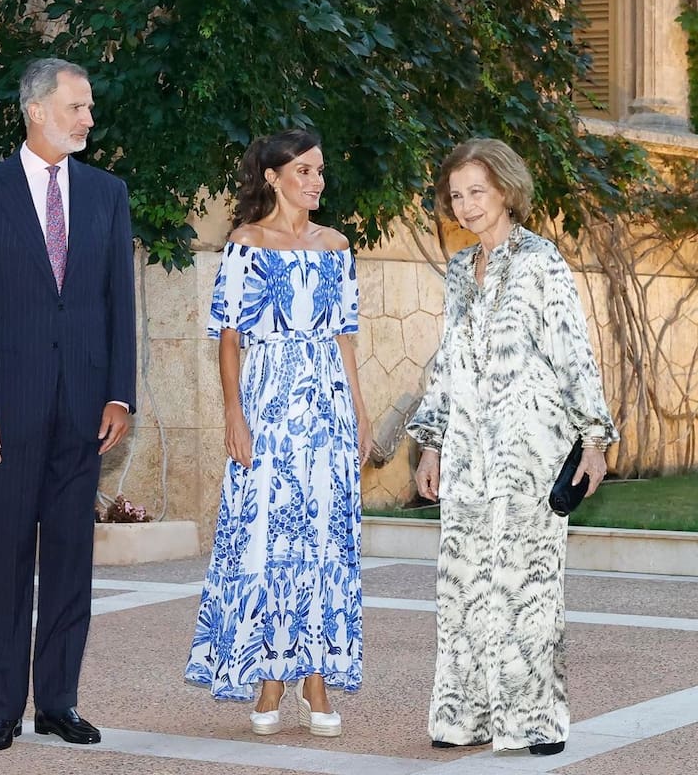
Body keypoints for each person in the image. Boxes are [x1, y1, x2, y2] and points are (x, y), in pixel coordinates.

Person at [0, 58, 136, 751]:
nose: (89, 118)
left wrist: (120, 392)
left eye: (88, 108)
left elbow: (119, 301)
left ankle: (57, 702)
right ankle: (2, 709)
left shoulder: (109, 194)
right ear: (38, 109)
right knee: (8, 560)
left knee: (69, 562)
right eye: (78, 106)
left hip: (86, 410)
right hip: (7, 411)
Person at [407, 138, 618, 756]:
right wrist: (431, 446)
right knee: (464, 582)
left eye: (477, 191)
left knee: (529, 589)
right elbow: (446, 364)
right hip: (468, 452)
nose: (467, 205)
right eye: (457, 195)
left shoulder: (541, 261)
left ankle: (537, 722)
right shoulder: (457, 268)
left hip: (530, 451)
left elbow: (573, 353)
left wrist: (595, 439)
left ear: (504, 190)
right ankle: (462, 716)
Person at [185, 129, 372, 738]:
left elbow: (344, 336)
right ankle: (268, 680)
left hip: (327, 406)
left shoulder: (337, 245)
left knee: (322, 540)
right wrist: (233, 416)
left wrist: (361, 414)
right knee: (265, 536)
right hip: (267, 404)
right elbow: (230, 340)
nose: (316, 181)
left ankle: (316, 683)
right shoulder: (245, 244)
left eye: (320, 171)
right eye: (304, 171)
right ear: (273, 177)